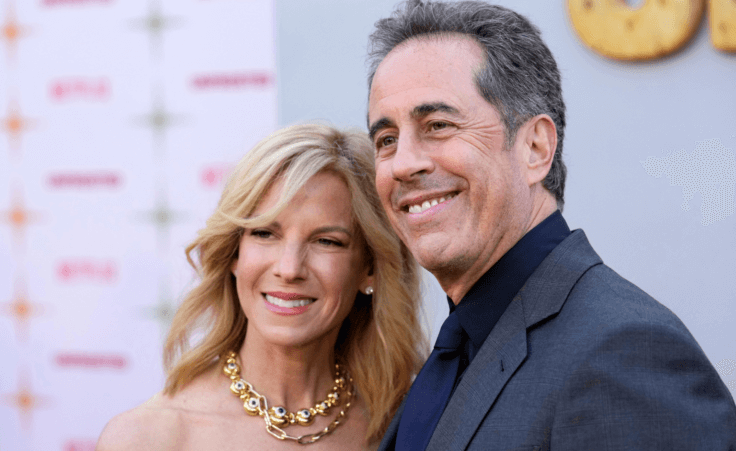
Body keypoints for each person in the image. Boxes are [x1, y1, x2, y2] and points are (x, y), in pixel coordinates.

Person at [366, 1, 736, 450]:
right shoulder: (456, 353)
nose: (403, 163)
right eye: (386, 140)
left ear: (535, 148)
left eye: (439, 125)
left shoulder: (623, 354)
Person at [96, 123, 426, 450]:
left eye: (327, 241)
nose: (289, 268)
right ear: (234, 253)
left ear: (369, 268)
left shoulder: (411, 425)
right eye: (265, 233)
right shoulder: (149, 437)